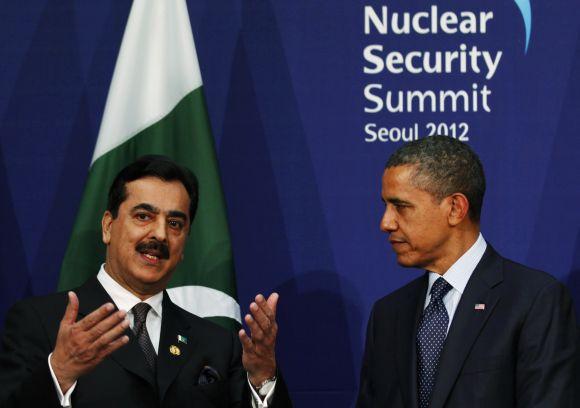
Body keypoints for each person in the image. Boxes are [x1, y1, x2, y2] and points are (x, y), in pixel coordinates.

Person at [0, 155, 292, 408]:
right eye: (143, 216)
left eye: (175, 224)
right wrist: (59, 372)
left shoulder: (218, 344)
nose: (160, 235)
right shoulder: (41, 322)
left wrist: (263, 377)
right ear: (108, 226)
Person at [356, 136, 577, 407]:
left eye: (401, 207)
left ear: (455, 209)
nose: (386, 223)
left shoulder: (533, 302)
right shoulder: (387, 315)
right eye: (385, 206)